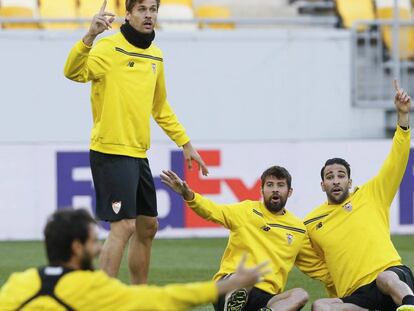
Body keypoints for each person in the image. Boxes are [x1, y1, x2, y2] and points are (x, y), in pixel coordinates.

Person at [63, 0, 208, 285]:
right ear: (127, 15)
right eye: (142, 9)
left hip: (137, 153)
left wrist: (185, 143)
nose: (149, 15)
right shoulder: (107, 47)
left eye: (153, 9)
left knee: (147, 225)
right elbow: (72, 72)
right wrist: (90, 36)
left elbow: (160, 106)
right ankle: (102, 299)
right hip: (110, 150)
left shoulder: (156, 55)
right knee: (124, 226)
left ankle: (139, 296)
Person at [0, 208, 270, 310]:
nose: (98, 249)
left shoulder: (17, 284)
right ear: (76, 246)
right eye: (94, 241)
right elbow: (164, 299)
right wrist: (225, 285)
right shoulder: (94, 288)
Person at [161, 165, 335, 311]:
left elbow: (317, 267)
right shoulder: (246, 211)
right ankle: (232, 303)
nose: (275, 189)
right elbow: (213, 211)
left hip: (266, 298)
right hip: (232, 284)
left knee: (300, 295)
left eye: (280, 185)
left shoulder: (297, 229)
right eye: (270, 185)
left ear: (289, 192)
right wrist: (188, 195)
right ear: (262, 190)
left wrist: (349, 285)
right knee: (244, 280)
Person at [306, 80, 414, 311]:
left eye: (341, 175)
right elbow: (310, 261)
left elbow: (397, 160)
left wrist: (403, 118)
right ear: (322, 185)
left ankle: (410, 304)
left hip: (390, 277)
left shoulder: (372, 194)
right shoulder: (311, 223)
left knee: (385, 278)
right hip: (356, 295)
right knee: (321, 306)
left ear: (349, 181)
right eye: (330, 177)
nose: (336, 180)